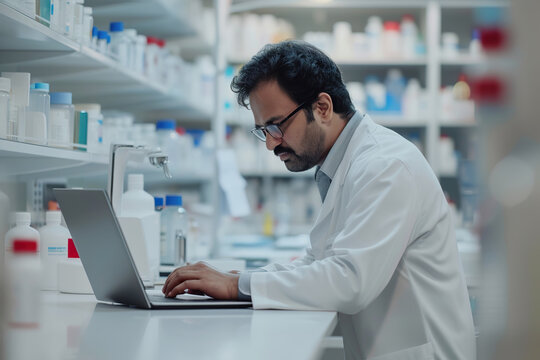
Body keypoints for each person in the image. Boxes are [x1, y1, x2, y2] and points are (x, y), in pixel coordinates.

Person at [162, 40, 476, 360]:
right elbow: (317, 265)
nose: (271, 143)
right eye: (263, 131)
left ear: (322, 107)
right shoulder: (344, 165)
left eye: (276, 125)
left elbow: (351, 281)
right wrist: (234, 281)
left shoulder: (385, 167)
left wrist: (237, 286)